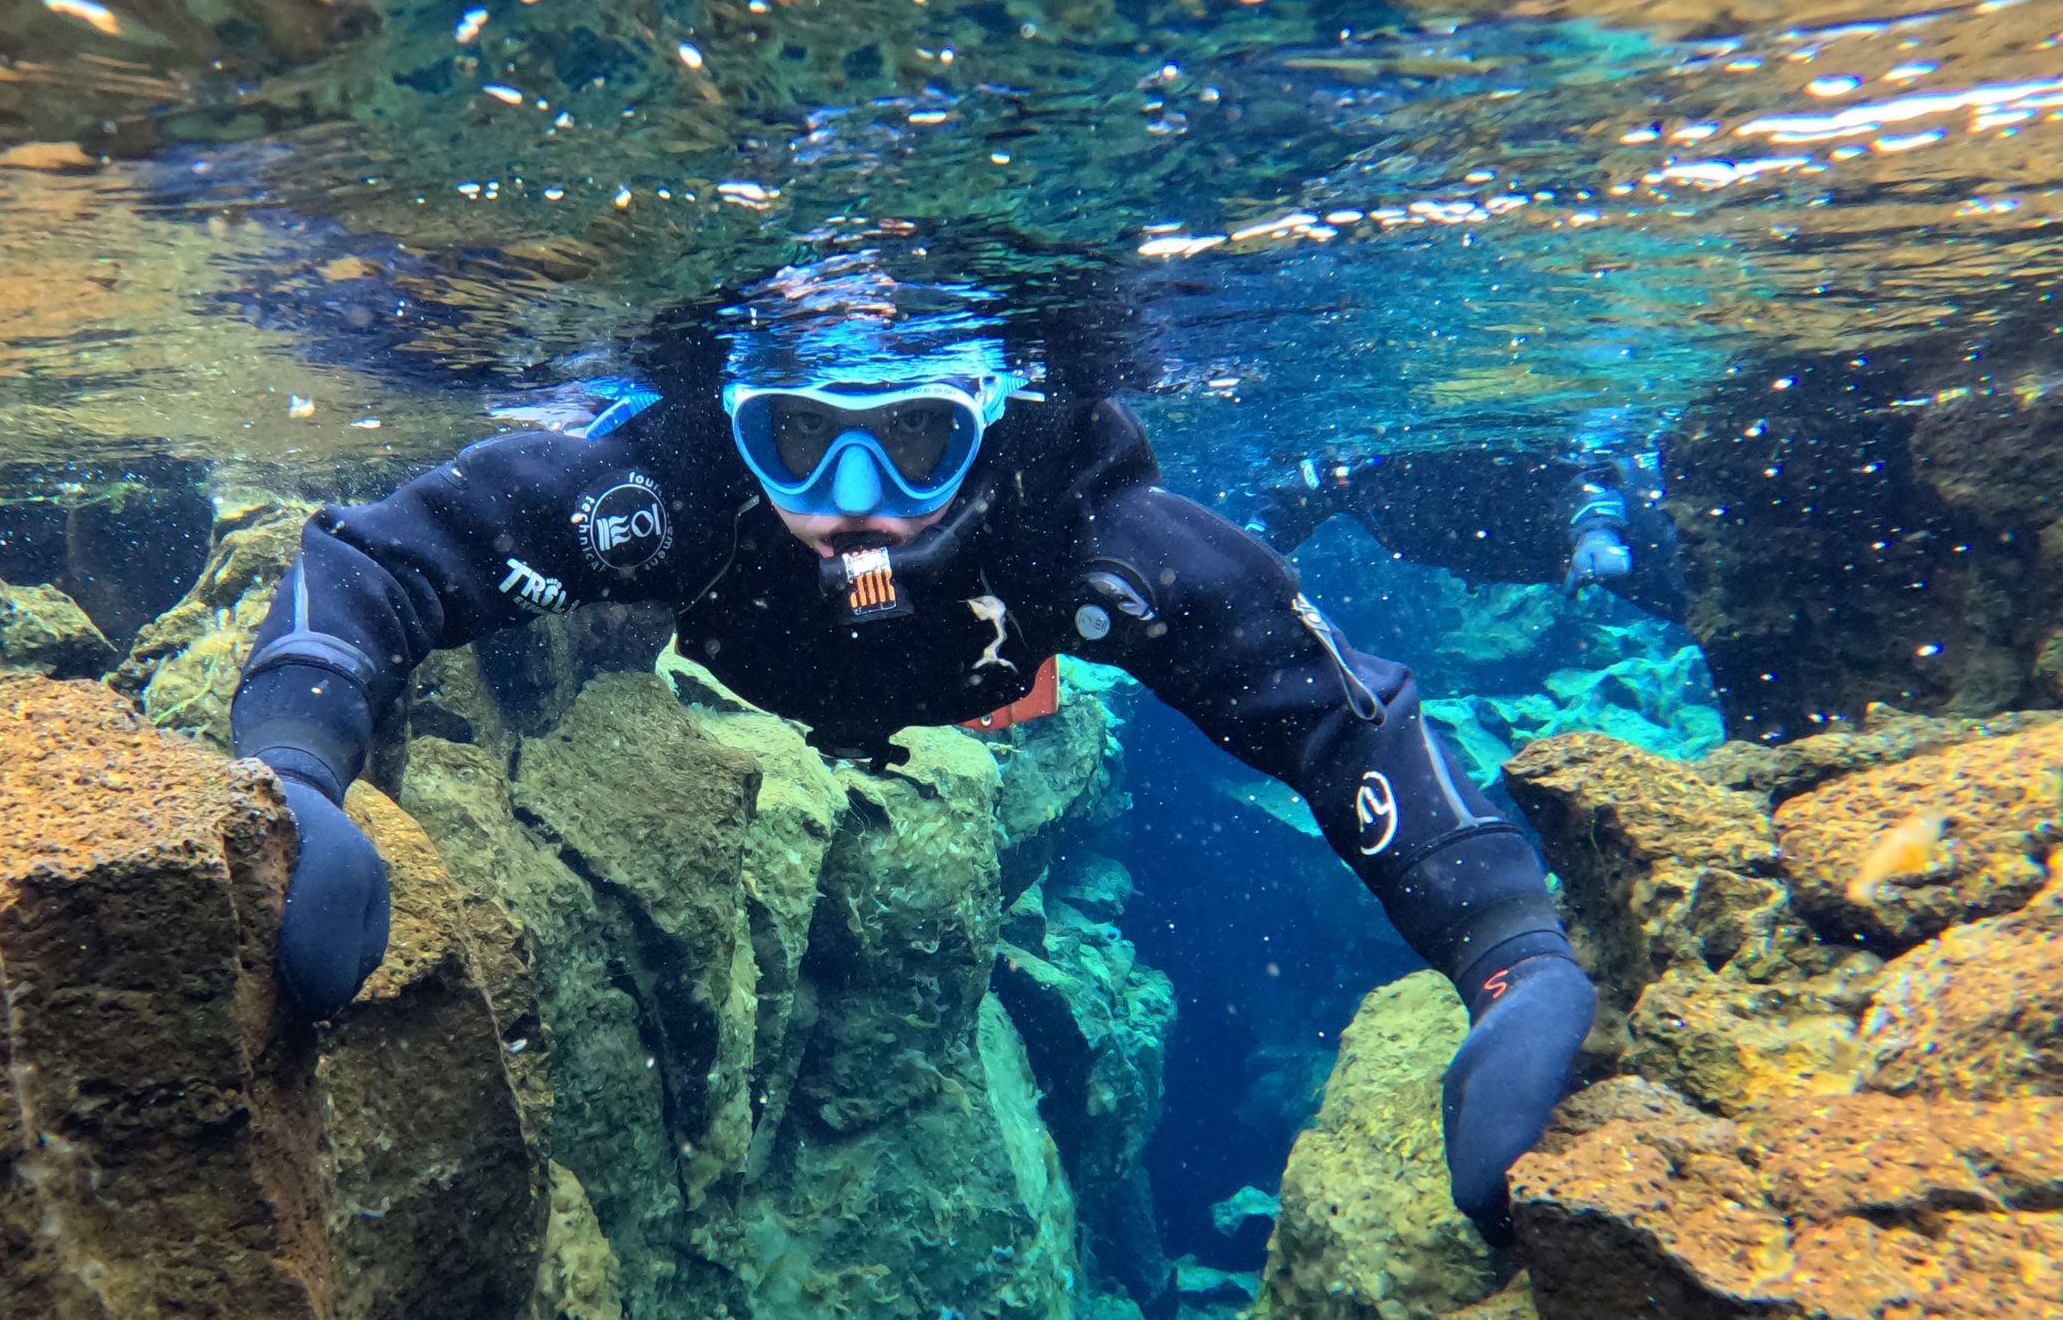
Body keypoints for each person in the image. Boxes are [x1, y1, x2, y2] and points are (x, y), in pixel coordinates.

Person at [227, 295, 1597, 1238]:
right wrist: (294, 769)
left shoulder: (1076, 528)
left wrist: (1509, 951)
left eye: (920, 439)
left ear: (991, 420)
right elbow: (374, 562)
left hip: (989, 678)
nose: (857, 501)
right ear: (737, 425)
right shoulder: (671, 485)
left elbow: (1337, 714)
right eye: (800, 442)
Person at [1238, 413, 1685, 621]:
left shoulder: (1492, 451)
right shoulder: (1355, 474)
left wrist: (1597, 535)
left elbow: (1582, 474)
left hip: (1611, 538)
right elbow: (1293, 503)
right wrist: (1240, 561)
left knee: (1702, 605)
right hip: (1536, 556)